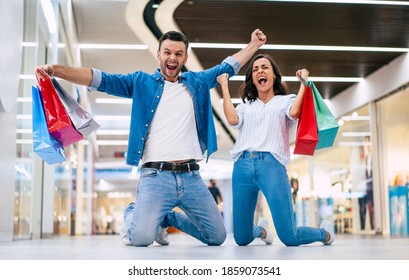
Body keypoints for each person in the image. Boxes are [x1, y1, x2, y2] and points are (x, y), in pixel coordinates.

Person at [39, 29, 267, 247]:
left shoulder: (197, 83)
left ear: (185, 57)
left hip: (191, 177)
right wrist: (56, 71)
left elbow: (227, 67)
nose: (172, 57)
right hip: (155, 177)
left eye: (178, 53)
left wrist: (254, 45)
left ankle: (167, 218)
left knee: (216, 236)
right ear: (158, 54)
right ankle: (133, 210)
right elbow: (99, 78)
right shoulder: (141, 83)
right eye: (167, 52)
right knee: (139, 239)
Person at [216, 53, 335, 246]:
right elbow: (232, 119)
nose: (260, 71)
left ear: (273, 76)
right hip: (242, 167)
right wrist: (223, 85)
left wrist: (305, 83)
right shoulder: (247, 106)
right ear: (253, 80)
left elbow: (295, 112)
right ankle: (261, 231)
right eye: (255, 69)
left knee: (289, 237)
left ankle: (325, 233)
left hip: (272, 166)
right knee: (242, 238)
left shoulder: (285, 101)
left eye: (264, 67)